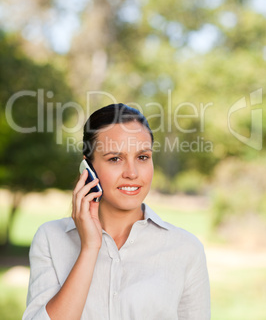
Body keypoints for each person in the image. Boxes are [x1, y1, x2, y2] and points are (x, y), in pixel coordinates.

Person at [23, 103, 210, 320]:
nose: (132, 173)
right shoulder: (50, 239)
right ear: (88, 169)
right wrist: (89, 248)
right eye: (115, 158)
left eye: (142, 157)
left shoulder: (185, 249)